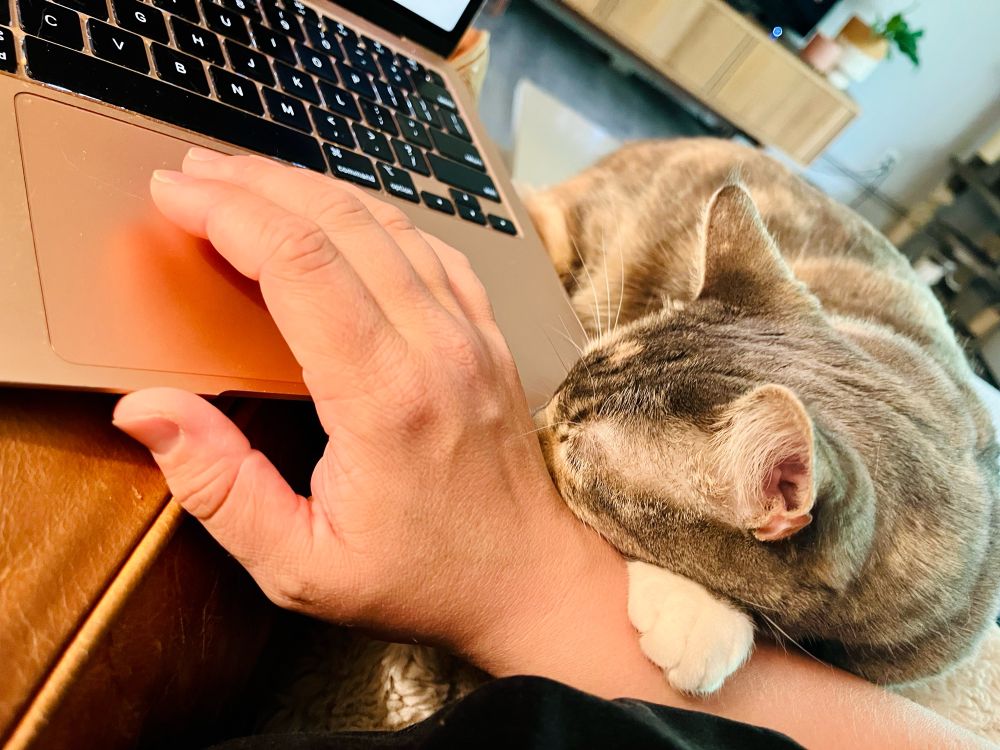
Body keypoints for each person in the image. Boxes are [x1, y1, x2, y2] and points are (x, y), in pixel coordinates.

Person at [112, 148, 986, 749]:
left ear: (782, 495)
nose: (544, 430)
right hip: (687, 232)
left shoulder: (929, 626)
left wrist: (531, 585)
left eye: (574, 447)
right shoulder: (808, 361)